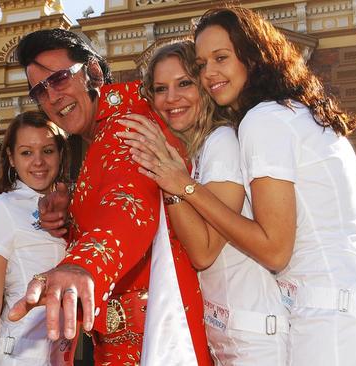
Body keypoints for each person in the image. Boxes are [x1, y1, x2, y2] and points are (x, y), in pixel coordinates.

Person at [127, 6, 356, 365]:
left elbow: (274, 249)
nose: (210, 74)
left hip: (331, 328)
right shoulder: (291, 112)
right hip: (352, 319)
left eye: (221, 58)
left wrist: (182, 186)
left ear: (253, 55)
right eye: (202, 65)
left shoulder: (262, 121)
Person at [8, 28, 212, 365]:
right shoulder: (101, 133)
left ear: (93, 72)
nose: (52, 97)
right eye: (40, 91)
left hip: (156, 343)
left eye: (59, 79)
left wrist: (81, 266)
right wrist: (70, 209)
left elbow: (127, 205)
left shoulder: (127, 126)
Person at [118, 40, 289, 364]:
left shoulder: (220, 142)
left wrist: (171, 183)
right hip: (222, 333)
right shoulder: (191, 153)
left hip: (254, 338)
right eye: (160, 88)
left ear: (203, 87)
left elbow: (205, 251)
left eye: (184, 83)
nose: (171, 98)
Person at [0, 111, 75, 366]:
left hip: (61, 355)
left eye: (47, 151)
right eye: (27, 152)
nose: (38, 161)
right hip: (18, 355)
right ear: (11, 158)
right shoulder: (1, 208)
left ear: (60, 154)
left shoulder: (72, 209)